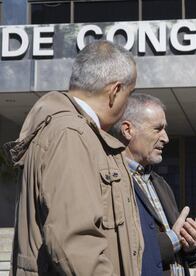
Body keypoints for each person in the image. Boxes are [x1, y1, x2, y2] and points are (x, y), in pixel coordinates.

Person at [3, 40, 144, 275]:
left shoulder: (69, 130)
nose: (127, 103)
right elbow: (76, 244)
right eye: (130, 94)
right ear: (115, 91)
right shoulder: (71, 134)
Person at [113, 94, 196, 276]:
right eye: (158, 129)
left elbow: (187, 256)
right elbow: (123, 250)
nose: (166, 138)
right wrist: (174, 238)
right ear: (127, 130)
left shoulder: (159, 183)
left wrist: (192, 244)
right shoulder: (111, 182)